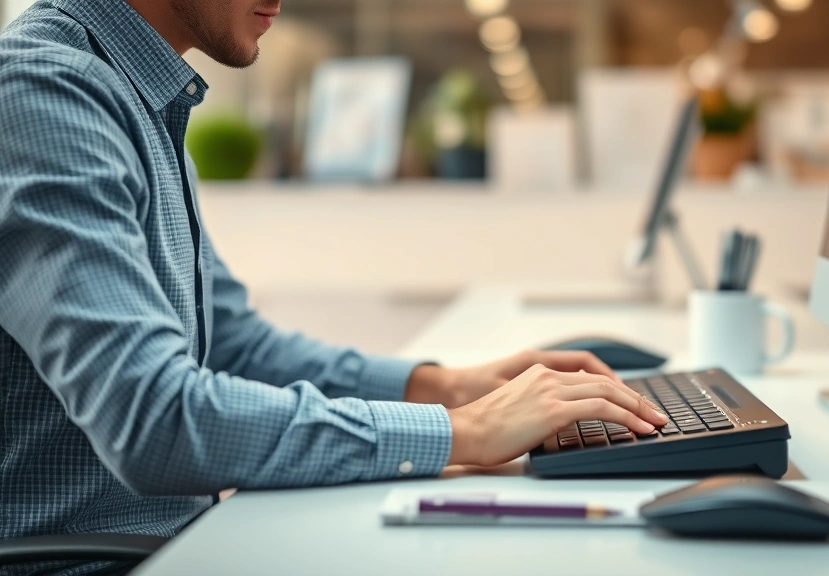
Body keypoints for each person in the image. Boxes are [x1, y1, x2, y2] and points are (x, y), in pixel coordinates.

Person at [0, 0, 668, 574]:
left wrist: (447, 385)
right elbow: (154, 419)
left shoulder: (135, 95)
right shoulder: (44, 93)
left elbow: (231, 341)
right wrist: (458, 430)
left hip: (179, 547)